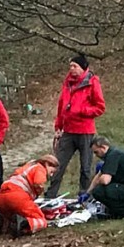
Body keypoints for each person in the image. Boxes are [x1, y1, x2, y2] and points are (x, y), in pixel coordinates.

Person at [46, 54, 105, 198]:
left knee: (86, 166)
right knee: (58, 164)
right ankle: (51, 194)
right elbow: (61, 106)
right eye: (70, 66)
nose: (71, 69)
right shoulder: (68, 83)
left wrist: (82, 111)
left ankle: (85, 195)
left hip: (85, 131)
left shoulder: (92, 82)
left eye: (75, 66)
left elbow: (100, 107)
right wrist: (58, 127)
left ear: (83, 68)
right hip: (68, 131)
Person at [83, 136, 124, 219]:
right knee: (105, 189)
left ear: (103, 148)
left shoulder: (113, 156)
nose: (96, 155)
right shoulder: (113, 153)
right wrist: (87, 193)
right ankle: (118, 209)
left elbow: (105, 180)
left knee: (99, 191)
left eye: (96, 152)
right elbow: (99, 175)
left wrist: (97, 184)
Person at [0, 155, 59, 236]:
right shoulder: (40, 168)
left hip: (0, 197)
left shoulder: (27, 166)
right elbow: (38, 183)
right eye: (51, 172)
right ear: (47, 164)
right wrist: (40, 191)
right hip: (17, 197)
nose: (51, 175)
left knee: (10, 215)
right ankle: (24, 226)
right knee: (40, 218)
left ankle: (1, 223)